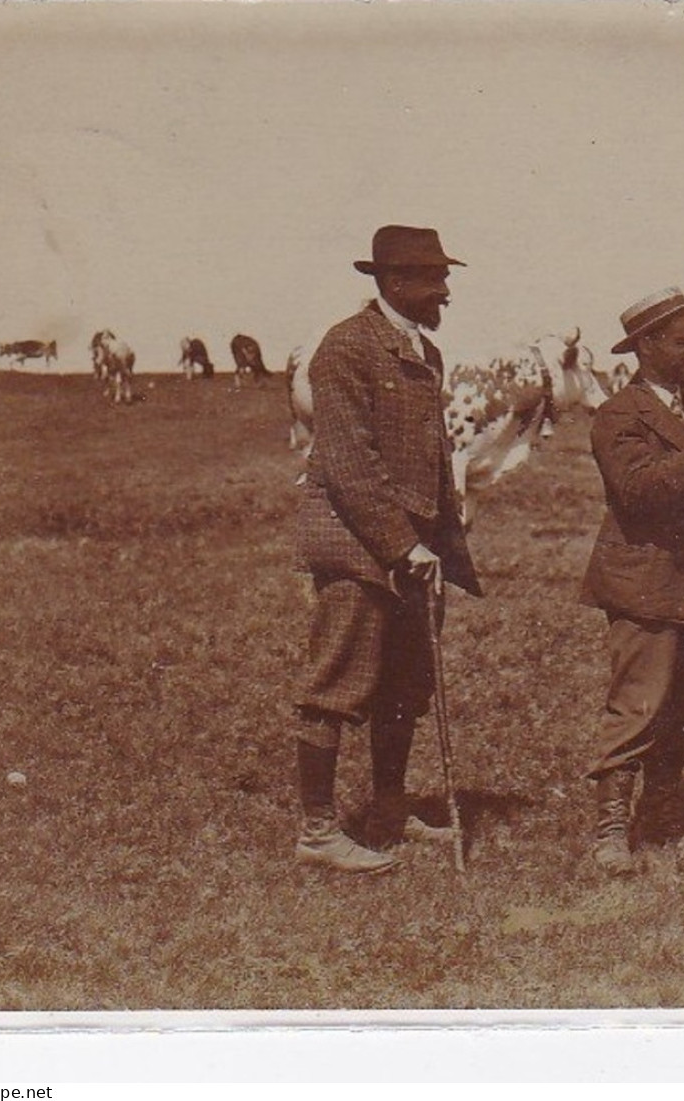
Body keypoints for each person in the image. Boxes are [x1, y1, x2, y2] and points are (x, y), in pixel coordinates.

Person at [290, 225, 482, 874]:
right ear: (395, 283)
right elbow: (349, 466)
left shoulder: (423, 354)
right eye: (435, 278)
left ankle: (388, 806)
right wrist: (402, 545)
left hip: (412, 551)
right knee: (336, 685)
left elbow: (430, 456)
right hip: (355, 546)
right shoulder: (345, 349)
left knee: (405, 685)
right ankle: (317, 830)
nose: (446, 291)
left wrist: (438, 541)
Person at [579, 287, 684, 875]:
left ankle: (662, 821)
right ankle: (610, 835)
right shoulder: (619, 414)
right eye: (681, 343)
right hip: (645, 583)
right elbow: (636, 491)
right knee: (639, 706)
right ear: (646, 346)